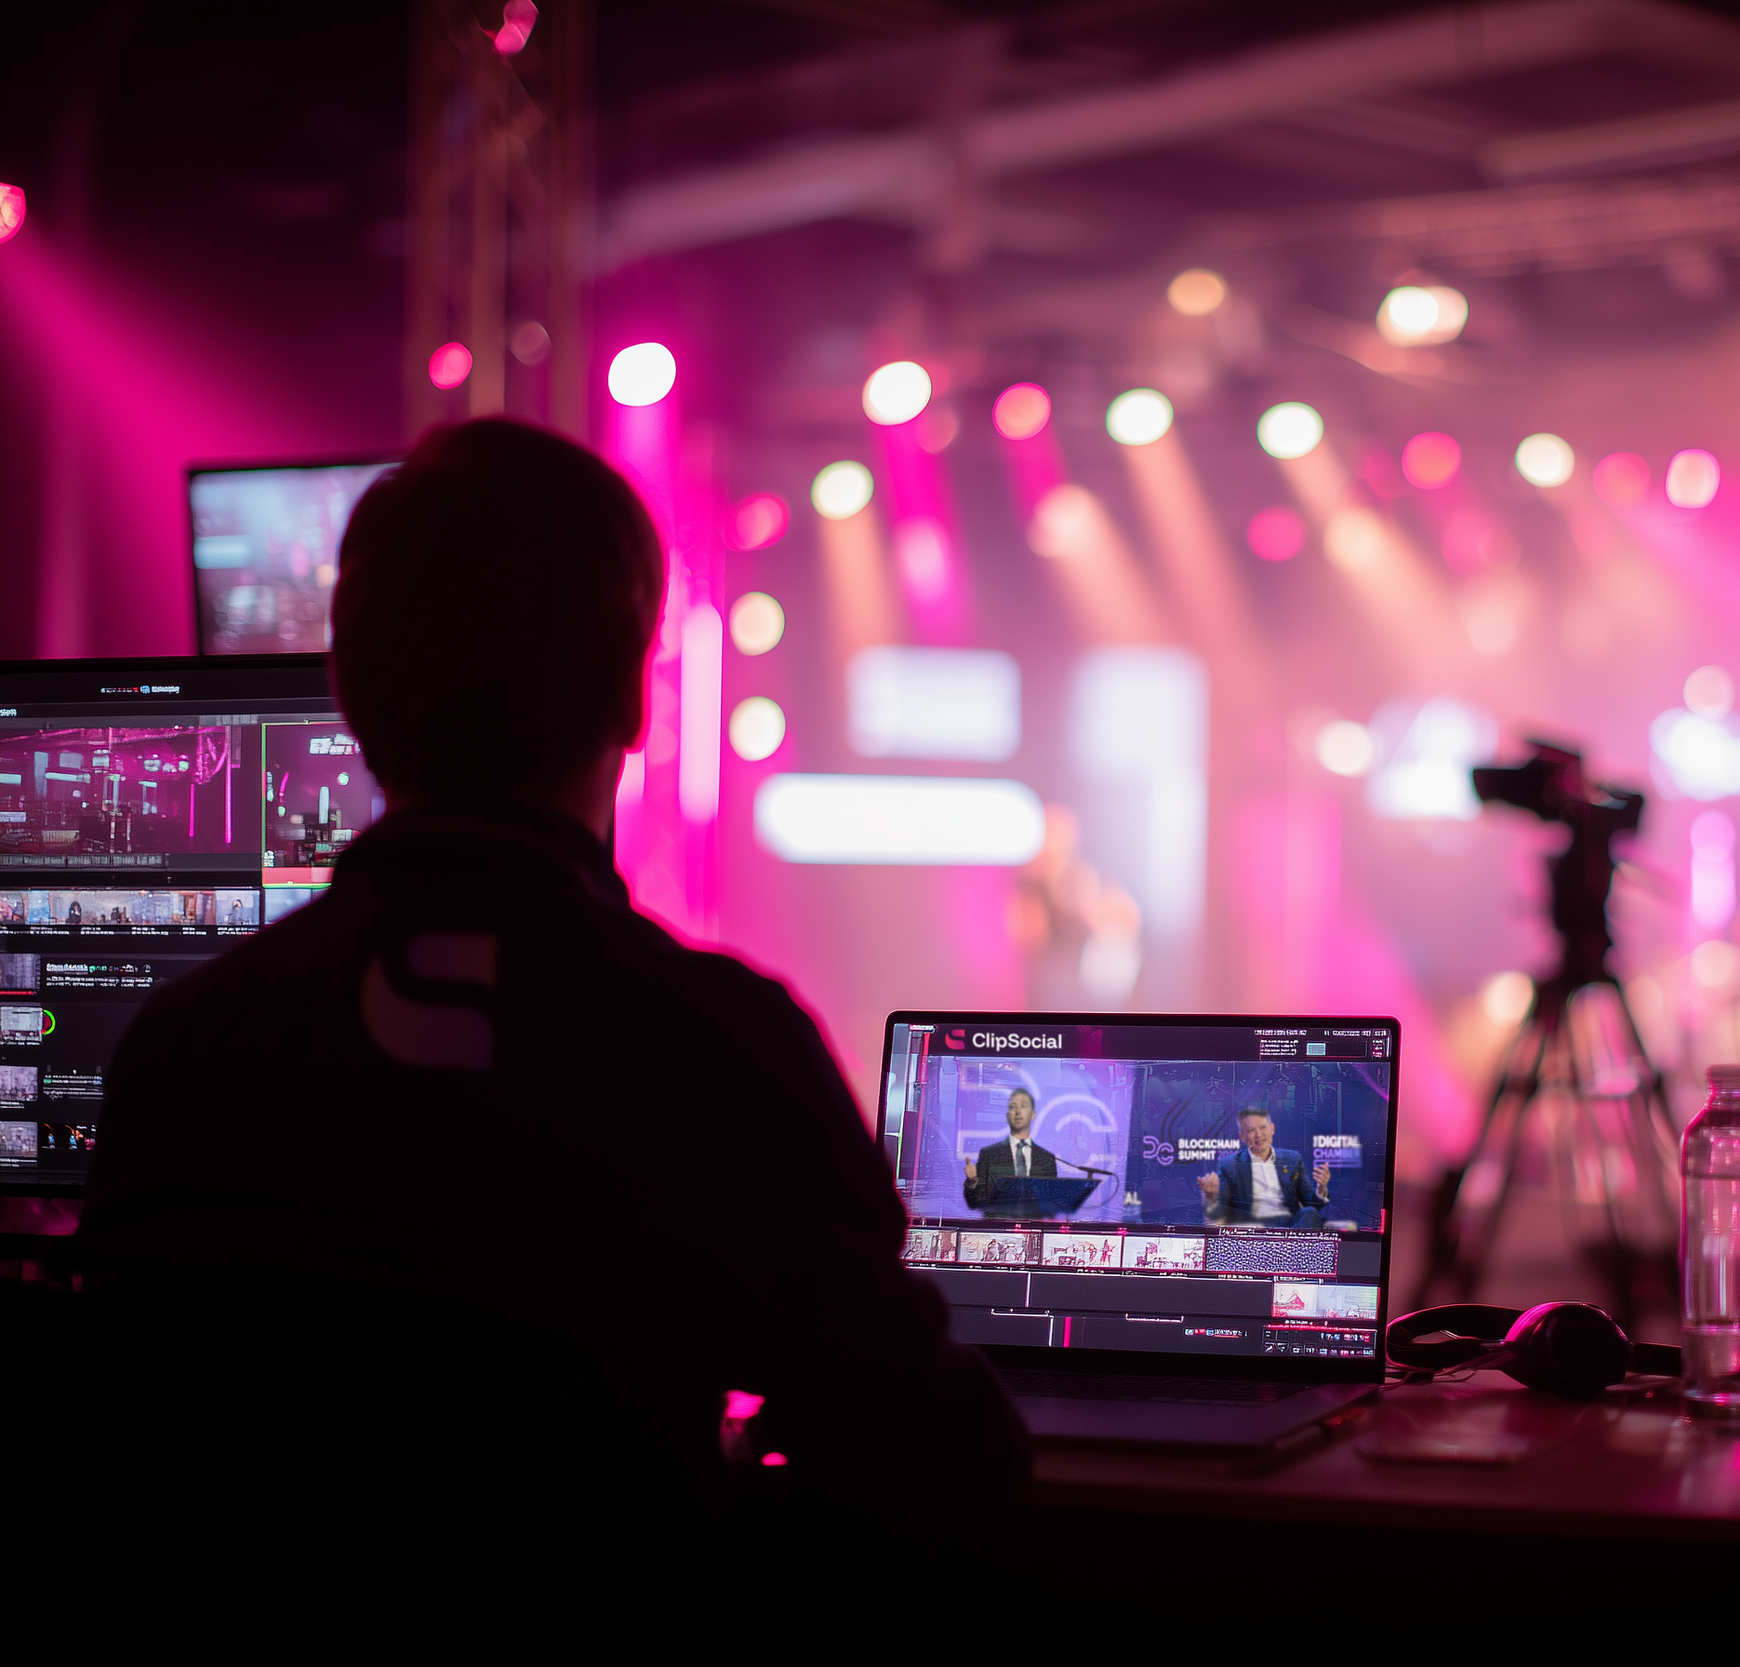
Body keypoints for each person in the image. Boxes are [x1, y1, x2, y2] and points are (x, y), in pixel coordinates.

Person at [70, 418, 1026, 1547]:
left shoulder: (181, 1049)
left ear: (348, 691)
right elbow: (942, 1453)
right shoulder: (721, 1048)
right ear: (632, 698)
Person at [1198, 1108, 1330, 1228]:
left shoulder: (1292, 1159)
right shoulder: (1229, 1164)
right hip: (1254, 1226)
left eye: (1263, 1127)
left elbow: (1311, 1203)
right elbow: (1221, 1211)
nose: (1258, 1135)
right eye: (1251, 1130)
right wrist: (1211, 1196)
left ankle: (1297, 1247)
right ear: (1242, 1137)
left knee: (1309, 1212)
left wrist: (1321, 1189)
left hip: (1289, 1225)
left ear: (1272, 1129)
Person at [963, 1086, 1056, 1208]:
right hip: (999, 1218)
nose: (1018, 1113)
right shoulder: (989, 1154)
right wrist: (972, 1180)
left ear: (1032, 1115)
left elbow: (1050, 1203)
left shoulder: (1047, 1159)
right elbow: (974, 1202)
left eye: (1023, 1107)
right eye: (1013, 1108)